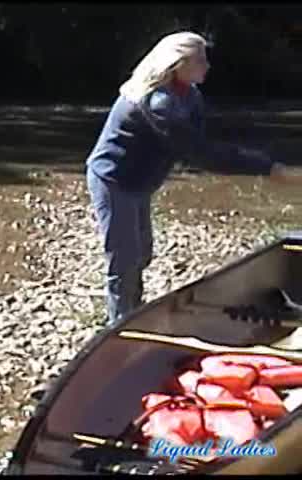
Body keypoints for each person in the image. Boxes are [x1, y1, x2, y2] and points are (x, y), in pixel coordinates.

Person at [85, 31, 302, 325]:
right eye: (200, 60)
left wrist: (262, 160)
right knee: (124, 259)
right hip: (114, 179)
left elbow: (205, 141)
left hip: (141, 182)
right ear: (178, 64)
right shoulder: (158, 102)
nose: (207, 65)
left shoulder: (189, 95)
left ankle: (132, 308)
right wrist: (270, 168)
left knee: (142, 253)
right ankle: (119, 324)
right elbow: (201, 154)